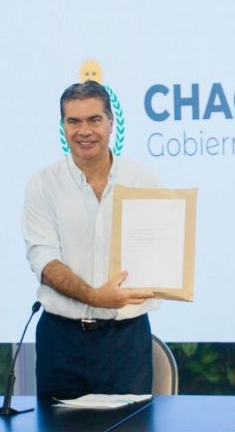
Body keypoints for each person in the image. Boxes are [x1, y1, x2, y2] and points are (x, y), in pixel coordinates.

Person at [22, 80, 160, 398]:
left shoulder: (143, 180)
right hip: (62, 340)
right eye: (74, 121)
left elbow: (158, 252)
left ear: (111, 123)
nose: (84, 131)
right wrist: (95, 297)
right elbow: (43, 259)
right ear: (63, 127)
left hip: (127, 340)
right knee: (58, 425)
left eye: (94, 120)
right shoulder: (42, 184)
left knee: (130, 425)